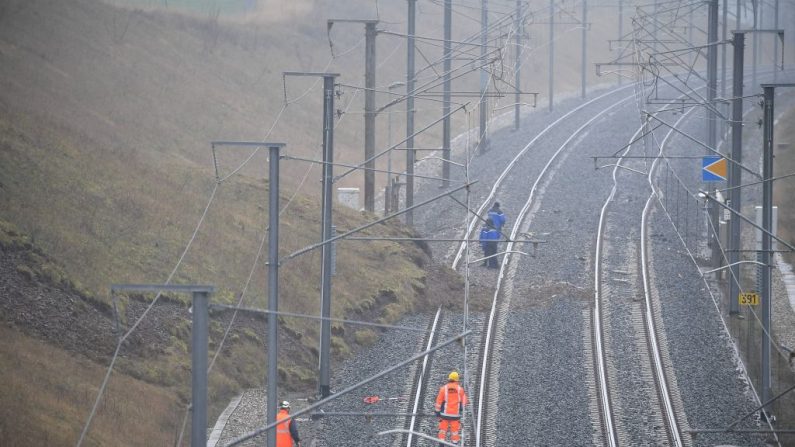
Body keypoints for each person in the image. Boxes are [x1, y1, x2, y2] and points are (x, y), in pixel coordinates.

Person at [435, 371, 468, 445]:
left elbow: (439, 401)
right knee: (455, 432)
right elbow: (464, 401)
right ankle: (454, 444)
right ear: (457, 380)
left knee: (442, 430)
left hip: (444, 414)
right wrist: (462, 408)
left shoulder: (444, 388)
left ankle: (441, 444)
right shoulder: (460, 389)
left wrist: (437, 412)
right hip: (455, 416)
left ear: (449, 379)